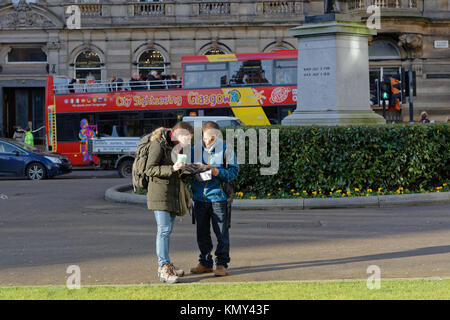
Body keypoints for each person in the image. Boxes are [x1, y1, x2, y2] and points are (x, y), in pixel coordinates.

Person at [145, 121, 194, 284]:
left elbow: (179, 171)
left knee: (168, 230)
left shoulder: (179, 147)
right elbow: (149, 169)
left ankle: (167, 264)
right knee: (164, 230)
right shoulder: (158, 145)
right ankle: (163, 268)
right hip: (159, 194)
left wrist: (185, 169)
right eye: (187, 139)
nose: (189, 143)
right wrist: (172, 168)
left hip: (172, 193)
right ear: (178, 135)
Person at [190, 121, 238, 277]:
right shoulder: (195, 149)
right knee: (202, 233)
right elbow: (188, 170)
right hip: (199, 198)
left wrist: (218, 173)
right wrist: (187, 169)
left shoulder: (226, 149)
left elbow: (234, 172)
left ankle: (222, 264)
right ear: (202, 136)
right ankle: (205, 263)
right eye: (205, 138)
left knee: (221, 233)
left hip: (218, 197)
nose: (208, 141)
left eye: (212, 138)